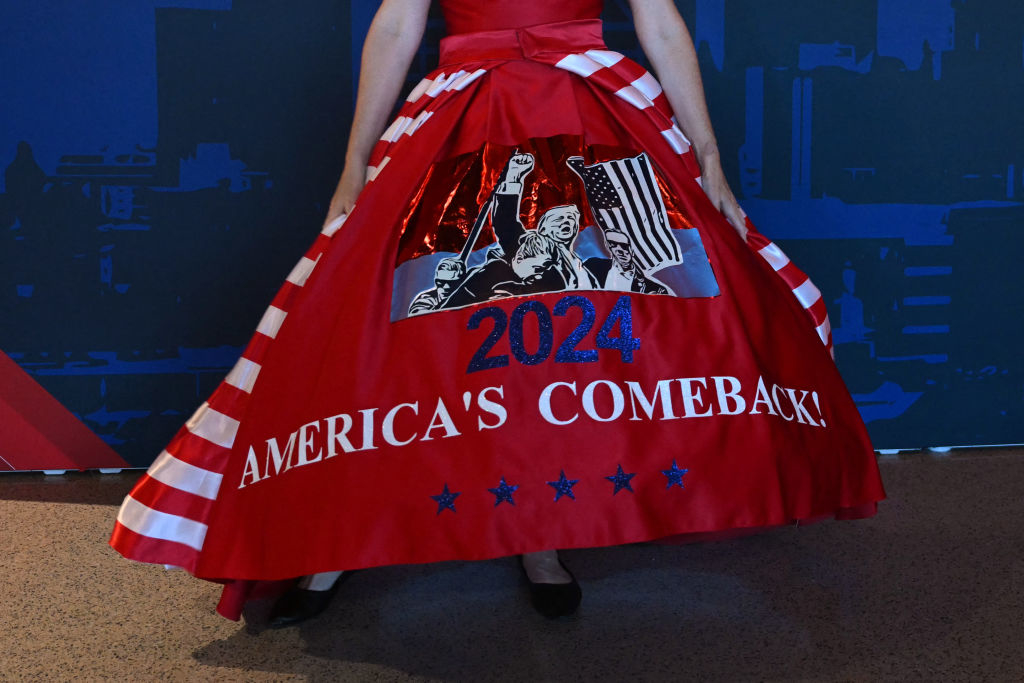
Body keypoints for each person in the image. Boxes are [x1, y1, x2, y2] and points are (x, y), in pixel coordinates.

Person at [111, 0, 885, 628]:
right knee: (399, 330)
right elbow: (398, 20)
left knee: (575, 342)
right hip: (462, 113)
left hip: (592, 106)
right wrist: (352, 163)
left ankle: (543, 538)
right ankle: (335, 538)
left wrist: (709, 156)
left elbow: (657, 18)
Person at [584, 229, 670, 295]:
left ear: (632, 250)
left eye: (624, 245)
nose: (619, 250)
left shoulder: (655, 290)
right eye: (613, 244)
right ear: (607, 246)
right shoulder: (592, 266)